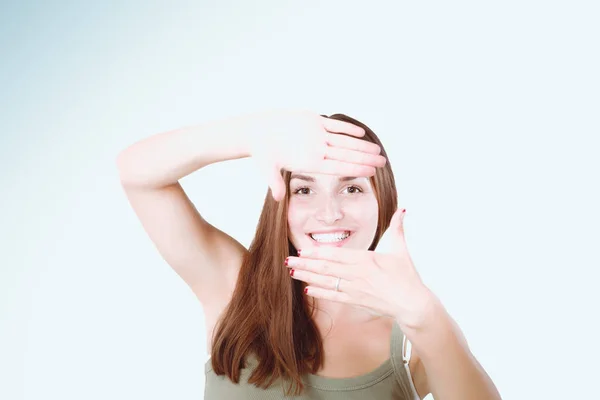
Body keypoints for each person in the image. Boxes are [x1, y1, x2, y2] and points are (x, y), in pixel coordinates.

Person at [116, 110, 502, 399]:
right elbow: (138, 175)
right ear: (279, 202)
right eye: (304, 189)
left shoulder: (415, 337)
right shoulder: (232, 285)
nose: (329, 212)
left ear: (381, 201)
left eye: (352, 189)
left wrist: (425, 317)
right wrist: (252, 135)